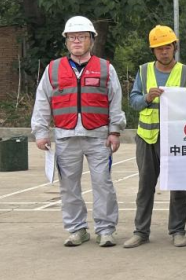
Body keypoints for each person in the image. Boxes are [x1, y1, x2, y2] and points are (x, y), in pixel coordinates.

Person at [32, 16, 125, 247]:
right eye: (72, 37)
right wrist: (41, 132)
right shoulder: (53, 69)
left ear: (91, 40)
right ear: (66, 41)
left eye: (82, 36)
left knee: (103, 184)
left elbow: (115, 100)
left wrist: (115, 131)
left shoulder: (105, 68)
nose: (77, 41)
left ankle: (105, 230)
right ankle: (77, 229)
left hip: (99, 137)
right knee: (68, 187)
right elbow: (42, 101)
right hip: (66, 137)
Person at [125, 25, 186, 249]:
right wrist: (146, 98)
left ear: (175, 47)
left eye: (167, 47)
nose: (164, 52)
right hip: (147, 137)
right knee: (145, 186)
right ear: (153, 50)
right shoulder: (144, 71)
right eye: (159, 48)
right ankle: (141, 231)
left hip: (175, 138)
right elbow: (133, 101)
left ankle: (177, 231)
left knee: (178, 186)